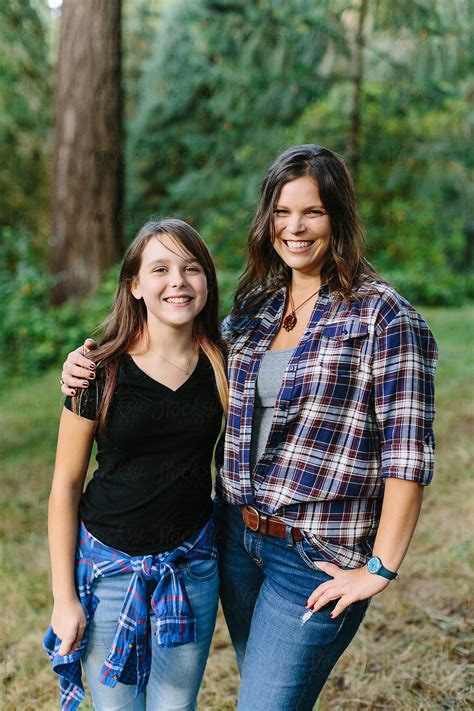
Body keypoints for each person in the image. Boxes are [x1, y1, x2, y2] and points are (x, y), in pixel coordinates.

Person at [61, 145, 438, 710]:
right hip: (235, 539)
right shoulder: (257, 310)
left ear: (338, 217)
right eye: (282, 212)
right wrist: (88, 364)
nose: (295, 227)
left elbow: (407, 455)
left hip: (313, 555)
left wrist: (379, 568)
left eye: (312, 211)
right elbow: (176, 354)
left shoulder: (382, 317)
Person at [45, 218, 227, 711]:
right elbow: (64, 487)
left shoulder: (224, 364)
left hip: (189, 567)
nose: (178, 282)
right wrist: (65, 600)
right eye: (161, 269)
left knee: (175, 705)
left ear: (207, 281)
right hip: (109, 569)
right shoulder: (96, 371)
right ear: (136, 285)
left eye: (191, 269)